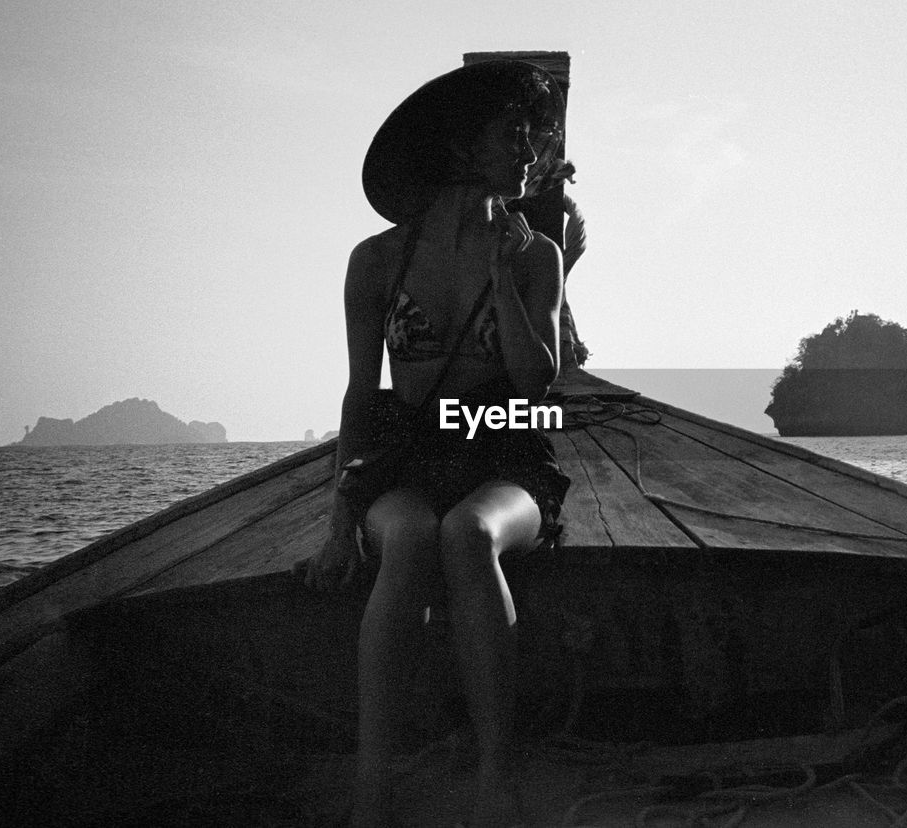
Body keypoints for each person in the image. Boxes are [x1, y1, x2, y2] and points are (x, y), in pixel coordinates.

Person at [298, 60, 572, 828]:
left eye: (533, 134)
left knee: (468, 531)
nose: (529, 150)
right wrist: (337, 523)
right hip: (408, 453)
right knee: (413, 532)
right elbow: (360, 394)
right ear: (459, 145)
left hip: (507, 453)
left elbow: (532, 386)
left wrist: (498, 271)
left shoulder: (534, 255)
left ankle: (494, 774)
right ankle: (372, 783)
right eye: (512, 133)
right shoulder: (377, 262)